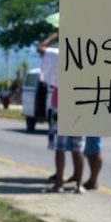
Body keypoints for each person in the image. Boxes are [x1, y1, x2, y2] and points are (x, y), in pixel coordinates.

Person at [38, 32, 85, 194]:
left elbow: (41, 48)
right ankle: (79, 184)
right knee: (78, 147)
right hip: (79, 103)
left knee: (60, 146)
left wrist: (53, 36)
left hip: (60, 103)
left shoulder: (57, 54)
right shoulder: (85, 52)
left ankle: (59, 184)